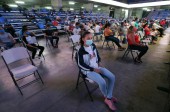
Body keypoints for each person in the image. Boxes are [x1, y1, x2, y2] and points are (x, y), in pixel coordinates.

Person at [77, 31, 117, 111]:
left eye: (91, 38)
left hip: (97, 66)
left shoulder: (93, 46)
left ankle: (108, 97)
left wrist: (99, 62)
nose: (90, 40)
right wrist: (93, 69)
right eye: (88, 38)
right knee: (102, 82)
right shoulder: (80, 51)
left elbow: (97, 55)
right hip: (88, 70)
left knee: (112, 77)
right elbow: (80, 64)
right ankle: (108, 97)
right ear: (83, 39)